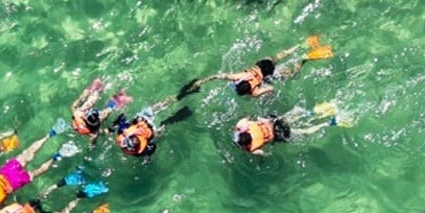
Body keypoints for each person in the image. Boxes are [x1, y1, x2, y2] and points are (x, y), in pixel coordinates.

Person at [178, 36, 332, 100]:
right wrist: (202, 81)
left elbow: (270, 89)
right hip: (261, 64)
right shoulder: (237, 77)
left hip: (268, 73)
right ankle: (302, 44)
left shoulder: (254, 92)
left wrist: (268, 91)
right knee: (278, 57)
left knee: (291, 74)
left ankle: (305, 59)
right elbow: (218, 75)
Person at [0, 129, 67, 212]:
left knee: (38, 171)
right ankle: (49, 135)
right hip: (6, 172)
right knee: (29, 153)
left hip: (14, 183)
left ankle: (56, 156)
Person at [233, 103, 339, 156]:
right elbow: (246, 117)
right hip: (274, 122)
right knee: (292, 115)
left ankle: (328, 123)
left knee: (304, 131)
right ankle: (312, 112)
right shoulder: (245, 125)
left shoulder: (252, 149)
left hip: (279, 134)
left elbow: (265, 153)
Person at [115, 100, 193, 160]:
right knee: (164, 103)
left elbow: (152, 147)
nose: (122, 144)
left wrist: (147, 157)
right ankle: (176, 98)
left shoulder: (141, 151)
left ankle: (182, 114)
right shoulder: (123, 132)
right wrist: (117, 123)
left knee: (164, 125)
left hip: (153, 127)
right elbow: (122, 119)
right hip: (144, 117)